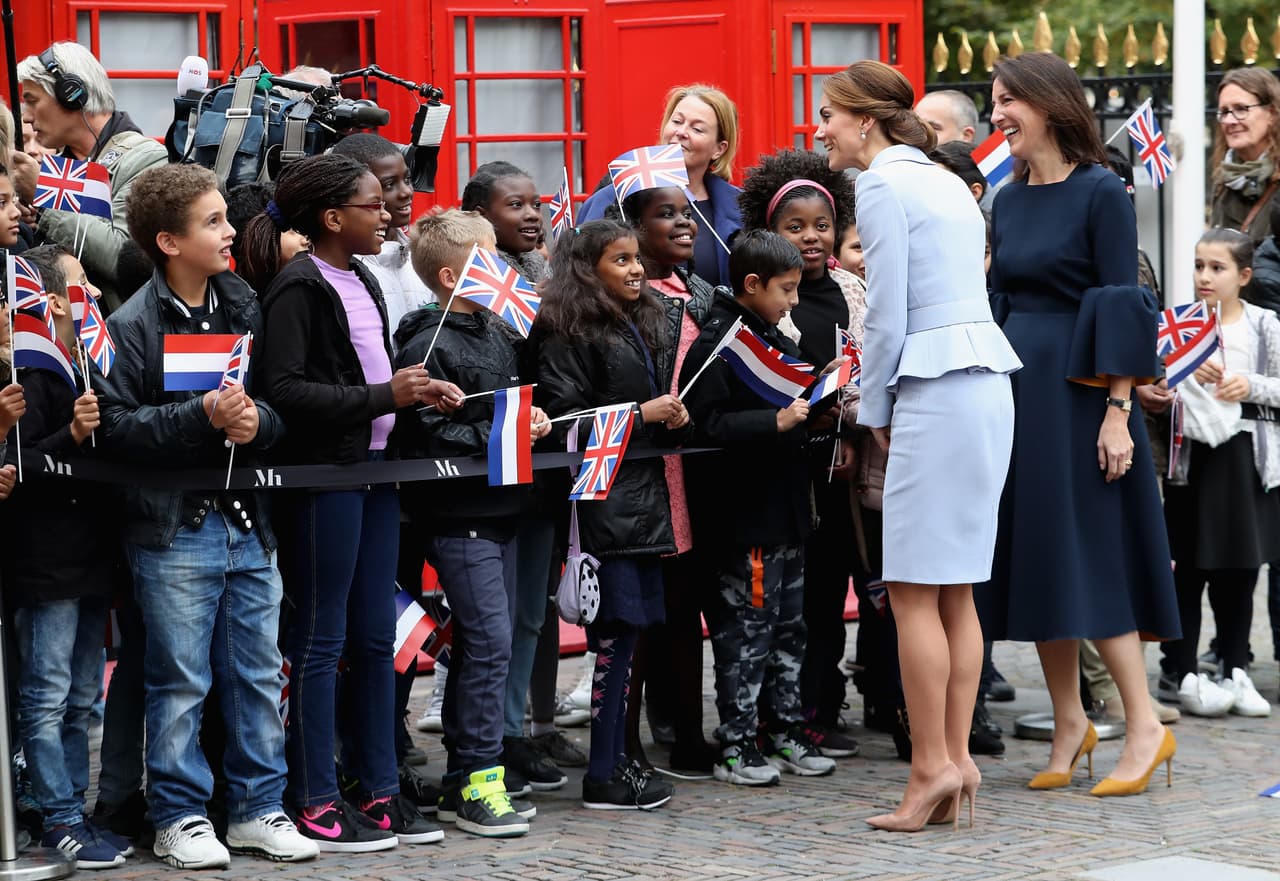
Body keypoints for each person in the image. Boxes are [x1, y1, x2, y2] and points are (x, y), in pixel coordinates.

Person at [816, 59, 1020, 830]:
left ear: (864, 120)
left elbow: (888, 311)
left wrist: (875, 406)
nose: (821, 128)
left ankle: (932, 766)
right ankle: (956, 758)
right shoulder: (941, 178)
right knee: (957, 588)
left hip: (933, 387)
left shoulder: (880, 185)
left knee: (909, 593)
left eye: (830, 115)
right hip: (986, 384)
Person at [97, 163, 318, 868]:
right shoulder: (131, 323)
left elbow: (278, 405)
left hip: (248, 523)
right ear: (168, 241)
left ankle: (258, 805)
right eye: (214, 222)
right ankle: (179, 814)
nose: (232, 232)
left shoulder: (244, 302)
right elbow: (118, 429)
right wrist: (198, 415)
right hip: (172, 530)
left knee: (257, 672)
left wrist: (260, 423)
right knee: (180, 680)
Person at [979, 51, 1180, 798]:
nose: (997, 115)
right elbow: (997, 301)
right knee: (1038, 555)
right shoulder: (1008, 197)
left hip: (1082, 392)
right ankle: (1070, 723)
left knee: (1089, 557)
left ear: (1048, 103)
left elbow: (1121, 302)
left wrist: (1119, 411)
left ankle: (1145, 722)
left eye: (1007, 102)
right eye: (994, 102)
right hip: (1018, 392)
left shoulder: (1103, 191)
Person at [252, 154, 458, 852]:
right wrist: (383, 397)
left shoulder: (363, 276)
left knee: (378, 641)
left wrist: (418, 391)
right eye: (373, 204)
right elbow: (284, 390)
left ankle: (378, 787)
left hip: (377, 475)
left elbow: (375, 377)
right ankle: (312, 797)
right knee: (320, 641)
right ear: (333, 218)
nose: (389, 212)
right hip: (326, 482)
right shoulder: (298, 287)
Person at [394, 208, 551, 836]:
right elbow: (429, 429)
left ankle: (465, 774)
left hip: (503, 510)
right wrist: (500, 432)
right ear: (450, 274)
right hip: (461, 517)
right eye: (488, 257)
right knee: (489, 645)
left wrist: (529, 424)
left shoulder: (495, 331)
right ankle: (481, 778)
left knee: (486, 645)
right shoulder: (424, 341)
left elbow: (507, 410)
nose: (503, 268)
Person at [530, 219, 685, 811]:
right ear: (586, 270)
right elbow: (563, 422)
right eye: (620, 260)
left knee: (633, 633)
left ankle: (617, 761)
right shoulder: (566, 331)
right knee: (616, 638)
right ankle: (603, 773)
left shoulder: (635, 320)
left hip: (640, 501)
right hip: (605, 505)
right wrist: (644, 414)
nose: (636, 269)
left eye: (636, 258)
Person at [680, 229, 834, 786]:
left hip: (787, 513)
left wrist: (820, 409)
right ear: (752, 284)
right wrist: (775, 422)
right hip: (746, 519)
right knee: (746, 633)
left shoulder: (772, 336)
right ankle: (737, 742)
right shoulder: (718, 346)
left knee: (790, 628)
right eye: (786, 290)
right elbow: (703, 425)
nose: (794, 301)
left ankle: (784, 730)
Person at [736, 148, 864, 758]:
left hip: (838, 462)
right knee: (782, 602)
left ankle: (819, 706)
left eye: (822, 226)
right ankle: (768, 717)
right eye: (795, 228)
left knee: (826, 596)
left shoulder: (849, 291)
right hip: (780, 465)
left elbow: (863, 366)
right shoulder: (760, 302)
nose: (811, 238)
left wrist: (849, 415)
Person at [3, 247, 126, 869]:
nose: (95, 298)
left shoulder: (85, 365)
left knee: (83, 696)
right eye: (82, 289)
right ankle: (54, 813)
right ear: (51, 301)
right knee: (48, 694)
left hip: (89, 554)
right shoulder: (28, 369)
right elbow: (19, 469)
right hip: (43, 560)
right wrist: (71, 436)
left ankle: (75, 808)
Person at [459, 161, 573, 793]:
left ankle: (521, 727)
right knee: (492, 617)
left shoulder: (548, 272)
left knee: (532, 608)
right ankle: (491, 735)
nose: (531, 215)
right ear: (481, 214)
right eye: (515, 205)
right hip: (492, 467)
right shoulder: (475, 283)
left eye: (536, 204)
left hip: (542, 463)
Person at [607, 185, 721, 777]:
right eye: (665, 215)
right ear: (633, 227)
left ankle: (687, 732)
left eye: (687, 213)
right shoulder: (620, 299)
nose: (683, 223)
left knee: (684, 609)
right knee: (637, 614)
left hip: (693, 469)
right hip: (640, 473)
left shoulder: (704, 291)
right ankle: (622, 743)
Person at [1160, 230, 1277, 719]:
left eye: (1217, 268)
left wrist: (1247, 383)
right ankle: (1181, 669)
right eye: (1199, 265)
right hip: (1192, 463)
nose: (1204, 276)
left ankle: (1235, 666)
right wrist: (1174, 379)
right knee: (1188, 568)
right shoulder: (1179, 324)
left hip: (1246, 461)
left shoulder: (1263, 324)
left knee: (1240, 570)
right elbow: (1156, 380)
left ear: (1244, 276)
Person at [14, 42, 168, 310]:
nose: (26, 117)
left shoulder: (144, 157)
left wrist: (44, 197)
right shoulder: (59, 163)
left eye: (32, 100)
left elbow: (124, 257)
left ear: (71, 94)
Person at [579, 85, 742, 287]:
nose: (681, 132)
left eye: (697, 128)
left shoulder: (740, 206)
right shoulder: (618, 196)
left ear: (719, 149)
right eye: (676, 121)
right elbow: (582, 272)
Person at [333, 134, 436, 339]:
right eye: (389, 185)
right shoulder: (345, 268)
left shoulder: (423, 255)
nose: (406, 192)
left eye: (407, 179)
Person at [1210, 68, 1280, 245]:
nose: (1229, 121)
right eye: (1224, 112)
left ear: (1271, 113)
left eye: (1241, 109)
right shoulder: (1223, 183)